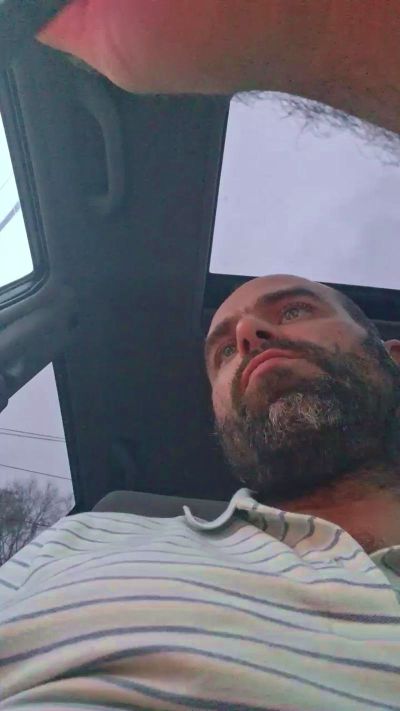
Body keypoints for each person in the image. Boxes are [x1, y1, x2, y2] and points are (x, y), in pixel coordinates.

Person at [1, 273, 400, 710]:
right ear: (220, 416)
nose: (247, 333)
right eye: (224, 352)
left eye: (293, 310)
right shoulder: (79, 541)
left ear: (393, 358)